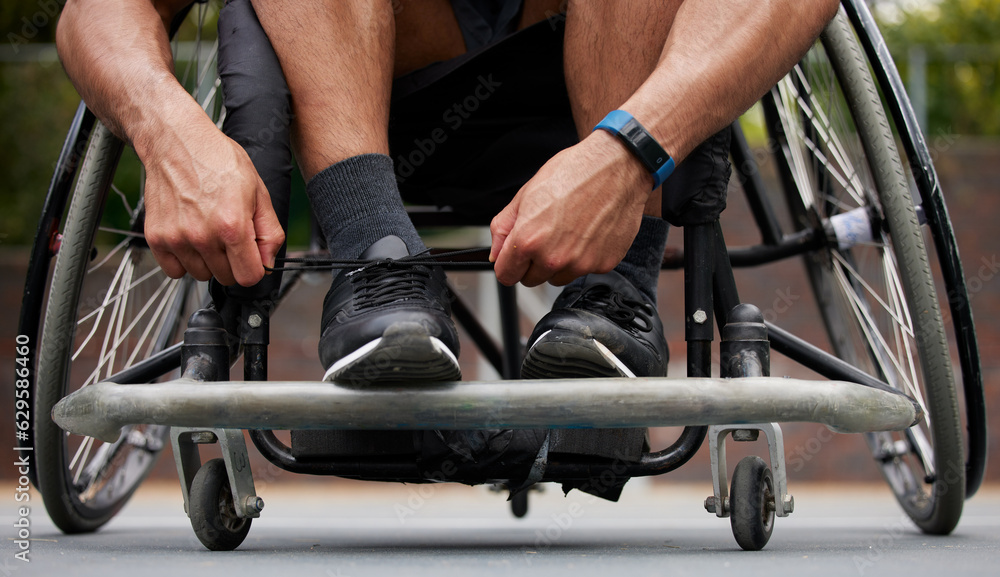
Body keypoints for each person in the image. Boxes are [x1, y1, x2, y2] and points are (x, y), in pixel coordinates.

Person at [56, 0, 840, 386]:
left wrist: (627, 152)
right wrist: (170, 134)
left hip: (612, 109)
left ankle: (614, 288)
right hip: (365, 95)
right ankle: (378, 256)